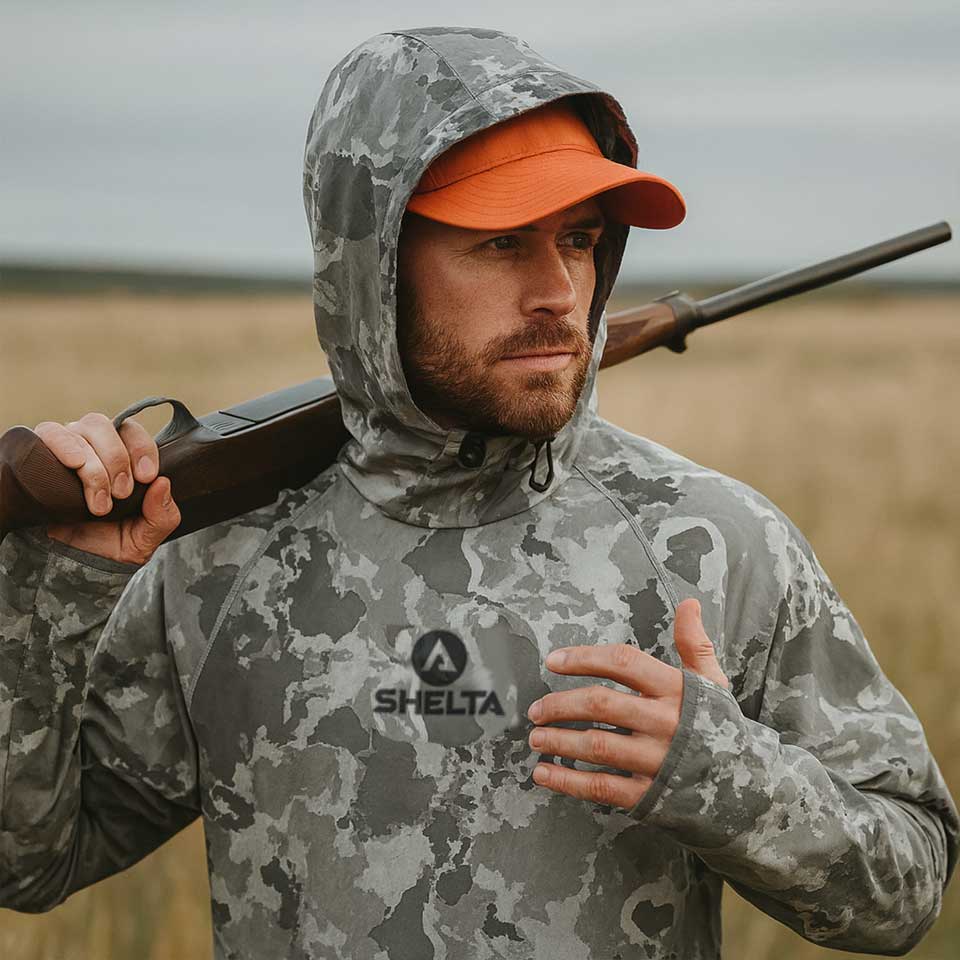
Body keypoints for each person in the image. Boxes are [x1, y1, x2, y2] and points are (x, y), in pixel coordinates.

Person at [1, 25, 956, 960]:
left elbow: (910, 891)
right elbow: (30, 865)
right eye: (499, 244)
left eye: (579, 241)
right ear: (369, 268)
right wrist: (52, 595)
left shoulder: (708, 542)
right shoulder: (216, 552)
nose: (557, 292)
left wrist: (729, 778)